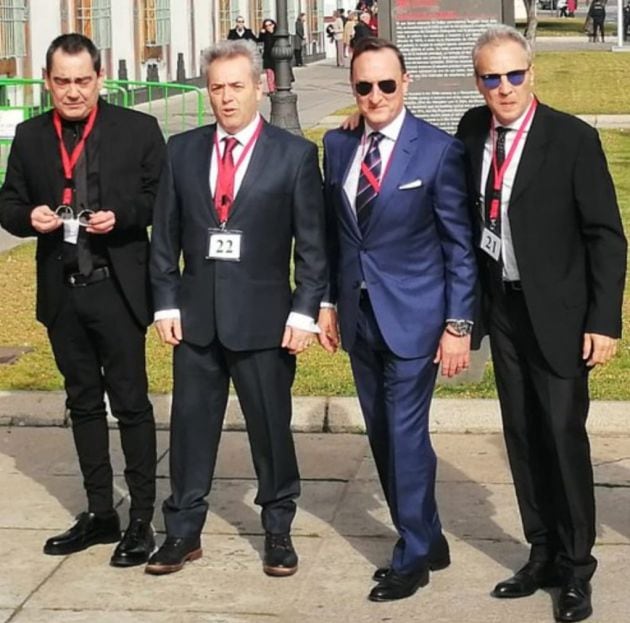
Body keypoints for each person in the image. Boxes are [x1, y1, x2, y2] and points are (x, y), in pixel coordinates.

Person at [456, 25, 626, 623]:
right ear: (477, 81)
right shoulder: (473, 129)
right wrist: (359, 122)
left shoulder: (571, 139)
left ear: (533, 73)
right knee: (522, 435)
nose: (503, 88)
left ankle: (578, 569)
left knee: (561, 435)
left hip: (558, 313)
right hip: (501, 306)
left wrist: (604, 322)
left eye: (513, 75)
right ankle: (542, 553)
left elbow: (606, 237)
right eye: (490, 77)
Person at [146, 39, 327, 577]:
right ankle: (182, 531)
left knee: (270, 429)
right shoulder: (181, 150)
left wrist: (303, 313)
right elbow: (166, 237)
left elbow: (313, 246)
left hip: (266, 322)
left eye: (236, 86)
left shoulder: (293, 155)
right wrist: (165, 302)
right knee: (189, 430)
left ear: (261, 87)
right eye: (217, 87)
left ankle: (277, 528)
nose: (226, 98)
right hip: (196, 320)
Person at [319, 37, 477, 602]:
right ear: (353, 89)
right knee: (383, 435)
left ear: (405, 83)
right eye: (364, 86)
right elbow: (339, 235)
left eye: (387, 84)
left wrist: (458, 325)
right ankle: (429, 535)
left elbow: (459, 247)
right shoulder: (337, 148)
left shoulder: (437, 151)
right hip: (359, 318)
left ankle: (411, 555)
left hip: (417, 319)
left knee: (406, 435)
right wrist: (329, 304)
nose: (376, 95)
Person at [0, 33, 164, 567]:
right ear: (48, 81)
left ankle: (141, 518)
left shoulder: (138, 129)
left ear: (100, 77)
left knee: (132, 405)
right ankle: (100, 512)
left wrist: (124, 215)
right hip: (62, 291)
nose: (73, 92)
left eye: (83, 80)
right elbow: (8, 202)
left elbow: (159, 197)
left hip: (116, 288)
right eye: (62, 81)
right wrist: (30, 219)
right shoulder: (28, 136)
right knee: (82, 404)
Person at [259, 19, 276, 94]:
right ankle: (271, 90)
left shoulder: (277, 34)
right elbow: (259, 40)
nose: (268, 27)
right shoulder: (265, 34)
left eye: (270, 25)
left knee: (277, 74)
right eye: (266, 26)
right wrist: (261, 33)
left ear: (273, 25)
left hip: (276, 57)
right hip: (267, 57)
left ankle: (276, 88)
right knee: (269, 74)